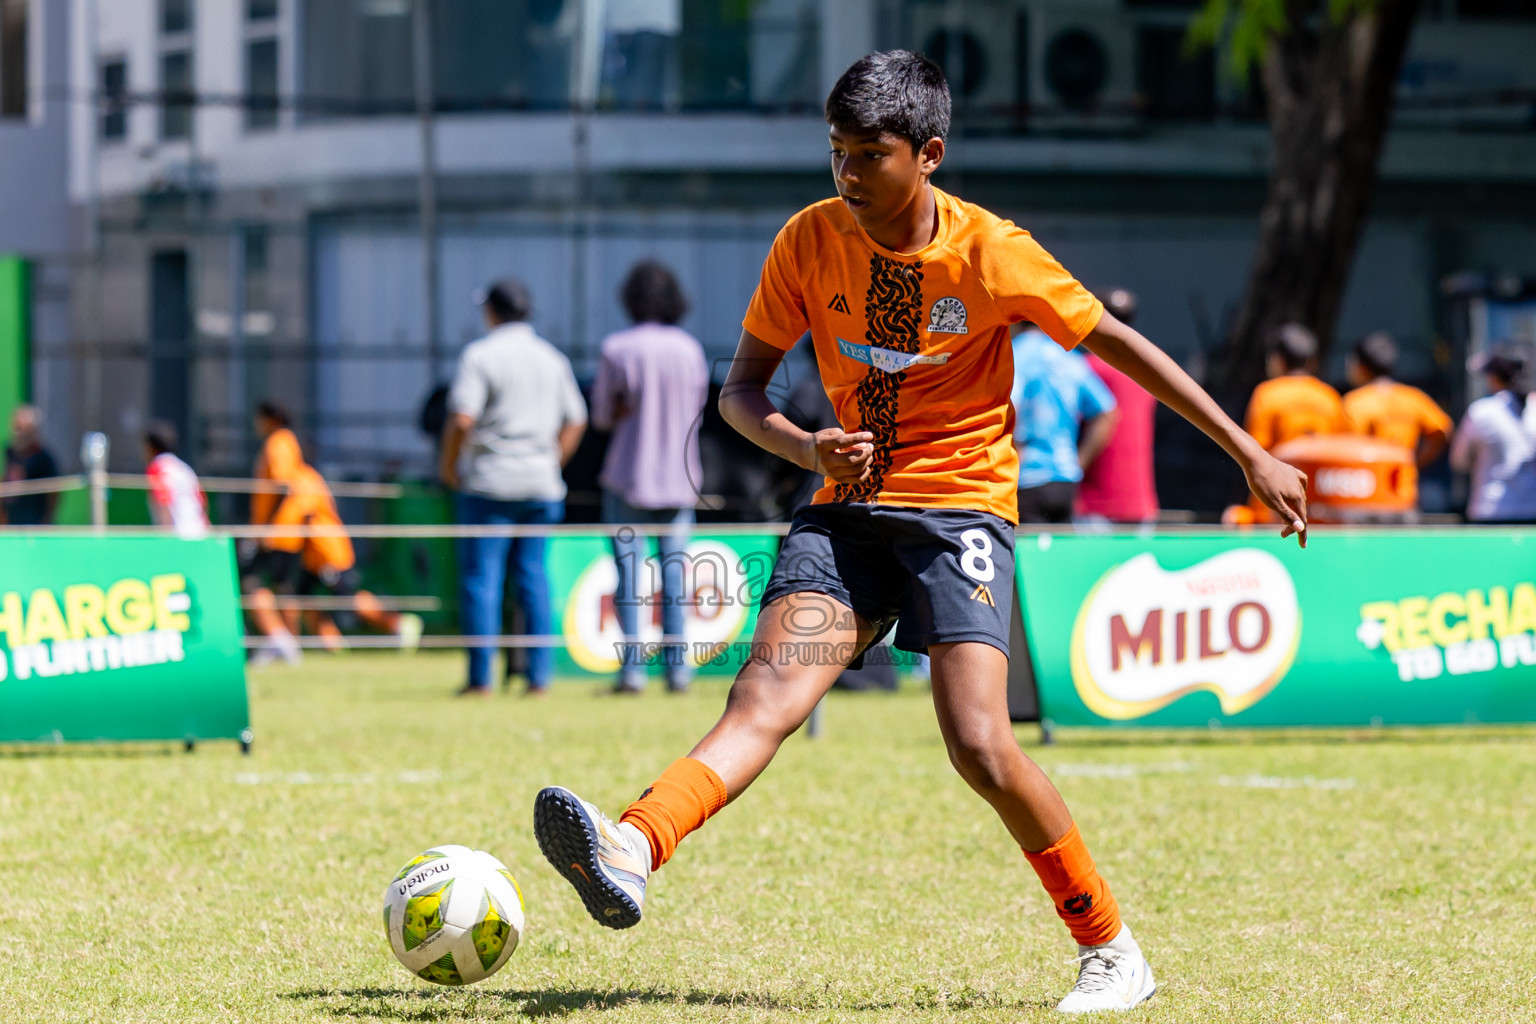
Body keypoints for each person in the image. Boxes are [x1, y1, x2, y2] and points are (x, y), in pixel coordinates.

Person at [531, 51, 1308, 1015]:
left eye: (869, 155)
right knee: (764, 694)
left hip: (960, 514)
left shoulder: (991, 252)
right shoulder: (809, 241)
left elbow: (1120, 345)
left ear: (928, 154)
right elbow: (739, 394)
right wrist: (804, 447)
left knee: (979, 744)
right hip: (847, 514)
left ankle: (1112, 950)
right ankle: (634, 844)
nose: (846, 176)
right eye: (835, 153)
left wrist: (1246, 452)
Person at [440, 279, 588, 697]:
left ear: (491, 311)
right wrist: (553, 459)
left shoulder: (480, 355)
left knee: (480, 580)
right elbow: (577, 418)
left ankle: (480, 679)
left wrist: (449, 464)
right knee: (534, 578)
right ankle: (539, 677)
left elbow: (463, 418)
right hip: (541, 484)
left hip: (488, 484)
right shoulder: (552, 358)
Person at [591, 260, 709, 694]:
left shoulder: (617, 348)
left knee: (628, 577)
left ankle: (632, 672)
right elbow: (699, 411)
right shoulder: (690, 349)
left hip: (629, 473)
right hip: (679, 476)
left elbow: (602, 416)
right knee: (675, 575)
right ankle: (679, 671)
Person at [1012, 324, 1119, 524]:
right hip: (1065, 477)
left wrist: (1014, 453)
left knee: (1027, 554)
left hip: (1025, 477)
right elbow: (1107, 411)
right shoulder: (1070, 358)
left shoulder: (1014, 354)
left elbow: (1010, 406)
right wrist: (1080, 462)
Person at [1077, 289, 1160, 524]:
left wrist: (1076, 467)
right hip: (1141, 504)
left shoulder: (1085, 368)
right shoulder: (1146, 369)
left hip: (1095, 503)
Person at [1451, 346, 1536, 523]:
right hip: (1531, 512)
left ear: (1494, 377)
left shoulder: (1481, 412)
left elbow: (1459, 461)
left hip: (1489, 511)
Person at [1342, 331, 1452, 469]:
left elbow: (1346, 449)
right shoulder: (1413, 398)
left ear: (1361, 367)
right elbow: (1443, 431)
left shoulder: (1355, 403)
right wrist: (1414, 463)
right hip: (1404, 485)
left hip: (1370, 485)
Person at [1243, 323, 1348, 451]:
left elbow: (1257, 448)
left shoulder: (1267, 394)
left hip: (1279, 470)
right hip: (1317, 471)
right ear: (1312, 361)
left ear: (1278, 360)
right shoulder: (1330, 397)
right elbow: (1340, 448)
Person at [142, 421, 209, 539]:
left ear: (150, 447)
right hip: (199, 532)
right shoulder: (184, 468)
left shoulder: (157, 467)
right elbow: (202, 501)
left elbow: (163, 501)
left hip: (177, 535)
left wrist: (165, 537)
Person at [1, 405, 59, 526]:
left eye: (23, 429)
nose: (18, 433)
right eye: (17, 427)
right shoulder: (10, 452)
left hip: (34, 521)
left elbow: (54, 492)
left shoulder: (44, 458)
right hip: (11, 519)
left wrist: (47, 518)